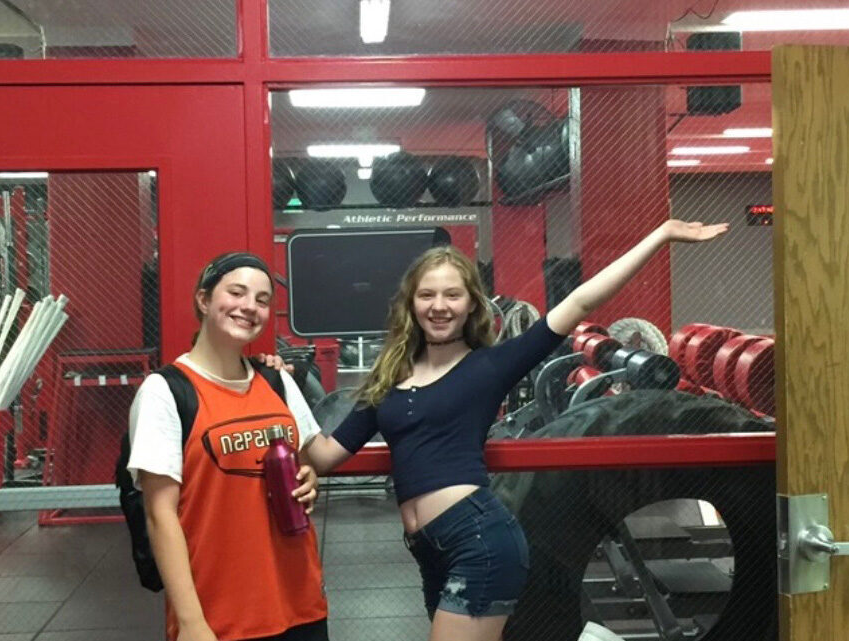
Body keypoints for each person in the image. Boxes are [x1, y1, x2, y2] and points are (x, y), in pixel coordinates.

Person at [303, 219, 728, 641]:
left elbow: (579, 304)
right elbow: (323, 454)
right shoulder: (388, 379)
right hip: (426, 551)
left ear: (472, 304)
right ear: (410, 304)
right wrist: (272, 381)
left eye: (453, 295)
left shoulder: (489, 365)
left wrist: (660, 235)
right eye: (427, 294)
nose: (439, 306)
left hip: (478, 541)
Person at [128, 252, 328, 641]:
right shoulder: (166, 391)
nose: (249, 307)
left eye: (262, 299)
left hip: (299, 601)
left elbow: (306, 463)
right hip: (219, 613)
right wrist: (190, 621)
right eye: (237, 292)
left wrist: (310, 478)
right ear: (204, 300)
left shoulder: (277, 382)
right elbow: (159, 515)